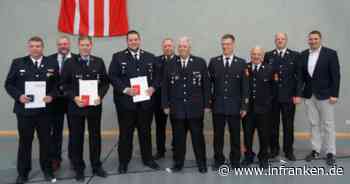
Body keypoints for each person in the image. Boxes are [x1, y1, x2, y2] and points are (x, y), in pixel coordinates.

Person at [5, 36, 58, 184]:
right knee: (25, 143)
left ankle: (47, 170)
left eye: (38, 46)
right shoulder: (18, 63)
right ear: (28, 48)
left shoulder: (51, 63)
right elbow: (8, 84)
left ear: (43, 47)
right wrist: (19, 96)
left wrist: (51, 96)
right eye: (32, 46)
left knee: (46, 143)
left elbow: (57, 85)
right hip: (24, 112)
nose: (35, 48)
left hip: (45, 112)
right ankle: (23, 173)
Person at [108, 30, 161, 174]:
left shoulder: (150, 57)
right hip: (126, 104)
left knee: (145, 132)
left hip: (145, 104)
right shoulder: (118, 57)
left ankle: (148, 159)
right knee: (126, 134)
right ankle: (123, 162)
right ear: (127, 42)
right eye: (130, 40)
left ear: (140, 40)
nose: (133, 42)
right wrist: (126, 89)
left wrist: (153, 88)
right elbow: (112, 76)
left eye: (135, 39)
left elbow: (158, 76)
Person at [61, 36, 109, 181]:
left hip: (94, 106)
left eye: (87, 44)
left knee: (95, 137)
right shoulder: (69, 62)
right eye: (82, 45)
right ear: (78, 46)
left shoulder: (98, 61)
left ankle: (96, 165)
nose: (85, 47)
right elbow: (63, 85)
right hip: (76, 107)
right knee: (77, 138)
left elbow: (105, 83)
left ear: (91, 45)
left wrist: (100, 96)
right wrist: (74, 97)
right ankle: (79, 168)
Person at [162, 37, 210, 173]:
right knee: (178, 140)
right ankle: (178, 164)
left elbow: (206, 86)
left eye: (185, 46)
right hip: (177, 109)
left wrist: (207, 105)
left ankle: (202, 164)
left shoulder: (200, 62)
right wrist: (165, 105)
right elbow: (165, 86)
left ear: (189, 48)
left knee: (198, 139)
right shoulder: (171, 63)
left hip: (195, 109)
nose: (182, 48)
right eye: (180, 46)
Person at [296, 30, 340, 166]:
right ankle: (315, 149)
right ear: (308, 40)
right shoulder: (303, 55)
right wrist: (299, 93)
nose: (313, 41)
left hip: (326, 95)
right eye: (311, 39)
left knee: (328, 124)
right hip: (309, 95)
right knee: (314, 124)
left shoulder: (330, 54)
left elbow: (336, 75)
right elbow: (300, 77)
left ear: (320, 39)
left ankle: (330, 152)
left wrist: (335, 94)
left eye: (315, 39)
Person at [208, 34, 249, 169]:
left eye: (228, 44)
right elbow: (208, 85)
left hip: (235, 106)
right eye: (223, 44)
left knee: (235, 135)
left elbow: (245, 87)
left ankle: (235, 160)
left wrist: (244, 106)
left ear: (233, 45)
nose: (225, 46)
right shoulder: (214, 62)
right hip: (218, 105)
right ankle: (219, 160)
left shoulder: (241, 63)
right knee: (218, 136)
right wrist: (209, 103)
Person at [264, 32, 300, 161]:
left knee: (288, 126)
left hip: (289, 97)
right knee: (272, 125)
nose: (280, 41)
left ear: (286, 40)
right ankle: (274, 149)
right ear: (275, 41)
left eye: (282, 39)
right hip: (272, 98)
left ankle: (288, 150)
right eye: (277, 39)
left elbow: (299, 77)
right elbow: (265, 76)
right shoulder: (268, 55)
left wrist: (297, 94)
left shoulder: (295, 55)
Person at [241, 46, 275, 169]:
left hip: (264, 110)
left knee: (264, 135)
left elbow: (274, 89)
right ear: (251, 54)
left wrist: (268, 104)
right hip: (248, 110)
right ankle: (248, 155)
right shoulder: (245, 67)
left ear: (262, 55)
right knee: (247, 134)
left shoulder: (270, 69)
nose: (256, 56)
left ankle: (263, 157)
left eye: (258, 54)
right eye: (254, 54)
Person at [47, 35, 77, 170]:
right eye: (60, 44)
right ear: (57, 45)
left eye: (65, 44)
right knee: (56, 132)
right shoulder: (48, 60)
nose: (63, 46)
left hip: (72, 100)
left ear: (69, 44)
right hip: (55, 101)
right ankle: (55, 159)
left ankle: (73, 158)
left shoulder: (77, 59)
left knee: (75, 131)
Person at [153, 38, 177, 159]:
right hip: (159, 100)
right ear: (162, 47)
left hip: (175, 100)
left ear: (173, 47)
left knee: (177, 127)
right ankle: (160, 150)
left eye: (169, 46)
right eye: (165, 46)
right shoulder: (156, 60)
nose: (167, 48)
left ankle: (176, 148)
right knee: (160, 127)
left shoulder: (179, 60)